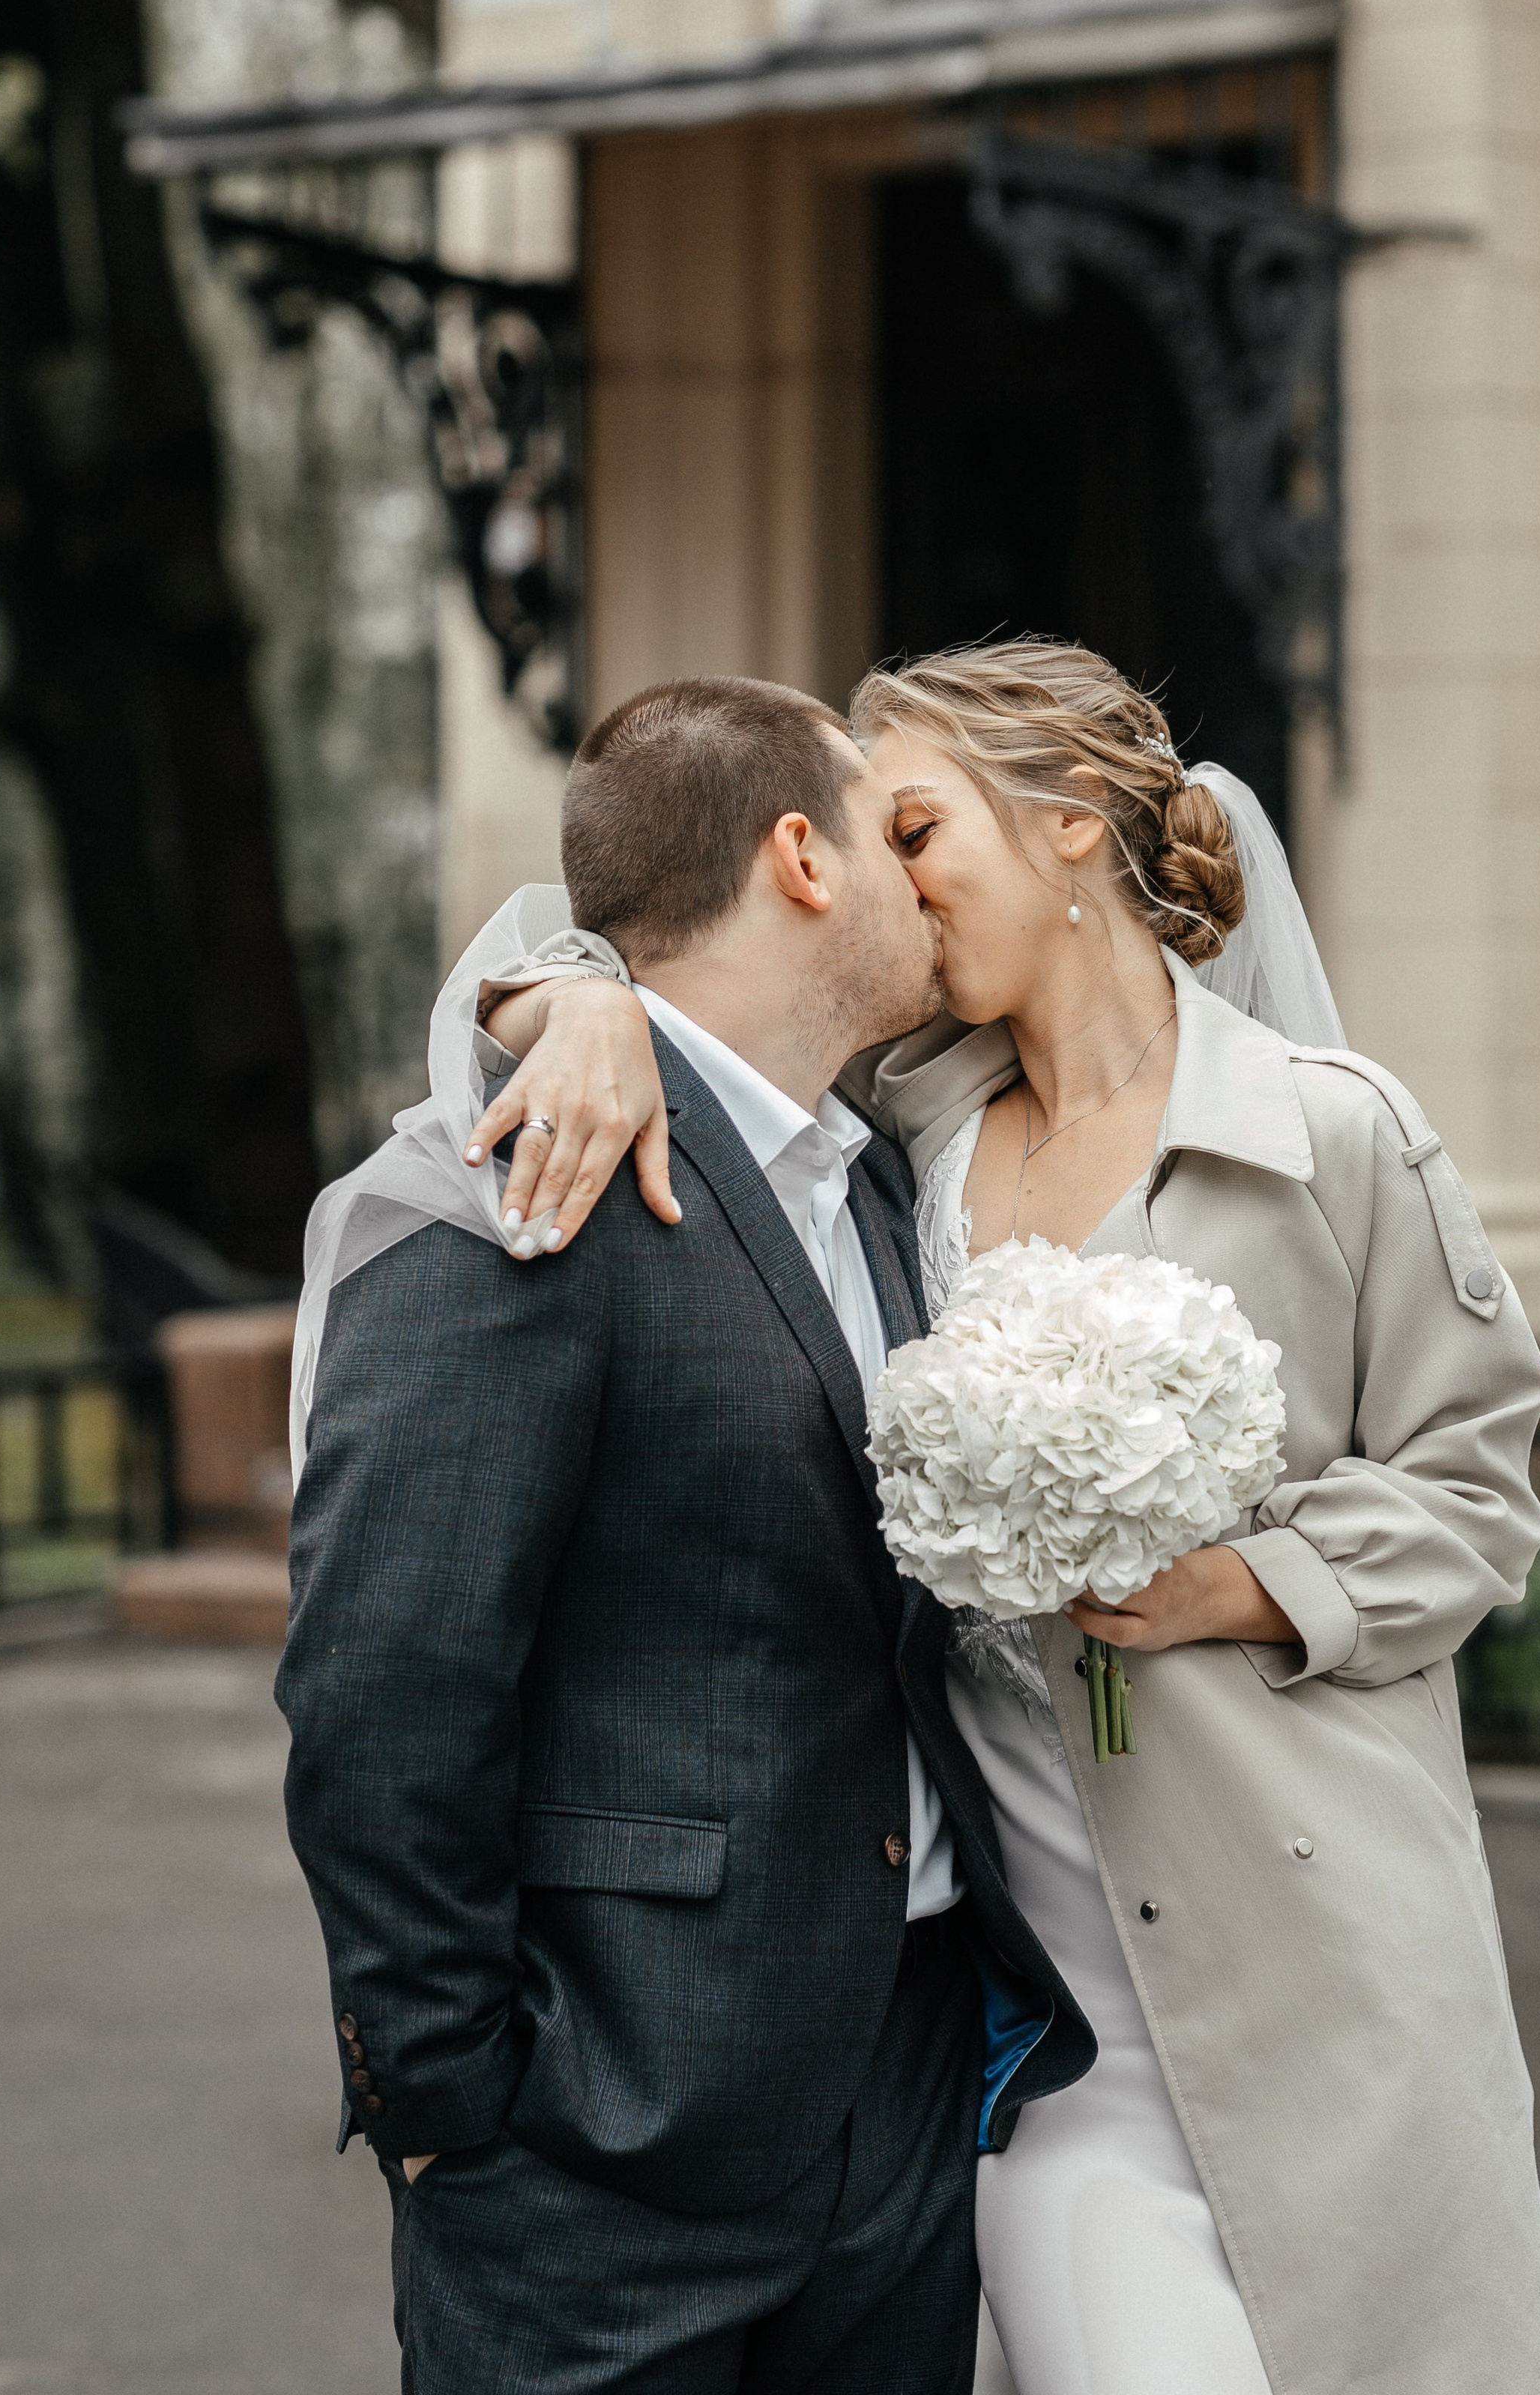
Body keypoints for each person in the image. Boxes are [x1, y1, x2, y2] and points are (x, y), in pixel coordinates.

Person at [467, 638, 1540, 2395]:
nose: (878, 887)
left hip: (1322, 1968)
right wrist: (575, 999)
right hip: (1040, 2035)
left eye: (913, 830)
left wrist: (1243, 1583)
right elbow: (585, 932)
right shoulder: (897, 1123)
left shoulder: (1334, 1136)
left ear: (1066, 826)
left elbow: (1476, 1495)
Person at [275, 674, 1094, 2395]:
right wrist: (448, 2110)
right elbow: (384, 1693)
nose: (924, 881)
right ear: (801, 856)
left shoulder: (879, 1172)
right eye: (896, 833)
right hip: (595, 2158)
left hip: (898, 2106)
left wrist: (558, 988)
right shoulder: (517, 1186)